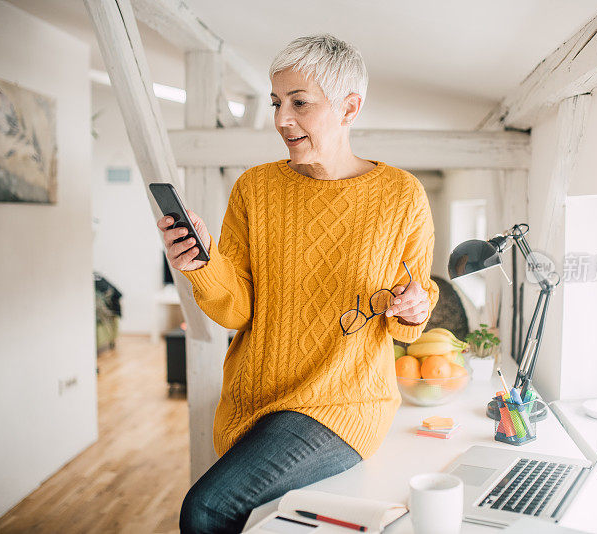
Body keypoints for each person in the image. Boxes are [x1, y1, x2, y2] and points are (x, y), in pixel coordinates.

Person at [159, 34, 440, 533]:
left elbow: (409, 321)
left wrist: (413, 307)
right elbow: (238, 310)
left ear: (349, 107)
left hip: (340, 404)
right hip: (255, 401)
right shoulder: (255, 187)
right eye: (276, 102)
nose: (281, 119)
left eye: (299, 103)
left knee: (205, 508)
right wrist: (202, 264)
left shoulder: (401, 195)